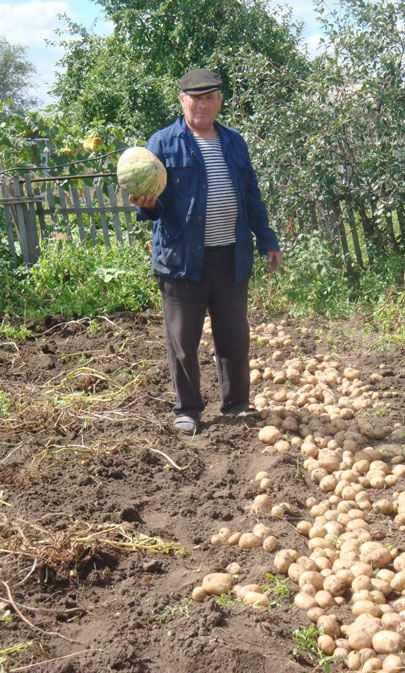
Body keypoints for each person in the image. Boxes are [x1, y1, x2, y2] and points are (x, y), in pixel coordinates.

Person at [130, 68, 281, 435]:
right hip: (182, 262)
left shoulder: (234, 142)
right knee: (182, 340)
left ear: (219, 101)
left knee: (234, 335)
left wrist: (267, 239)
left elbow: (251, 196)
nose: (202, 104)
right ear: (182, 100)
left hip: (230, 254)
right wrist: (146, 204)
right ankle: (188, 409)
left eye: (210, 97)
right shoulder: (163, 143)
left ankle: (237, 403)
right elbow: (151, 208)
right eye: (195, 97)